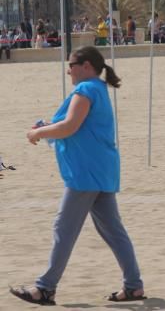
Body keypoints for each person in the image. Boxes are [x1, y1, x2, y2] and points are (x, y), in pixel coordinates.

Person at [9, 46, 146, 306]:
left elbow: (70, 126)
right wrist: (47, 128)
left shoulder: (86, 90)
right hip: (100, 169)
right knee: (113, 231)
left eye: (71, 64)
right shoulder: (98, 89)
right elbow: (77, 126)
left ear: (86, 66)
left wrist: (38, 133)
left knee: (64, 228)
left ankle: (45, 288)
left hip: (87, 172)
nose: (68, 70)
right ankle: (133, 286)